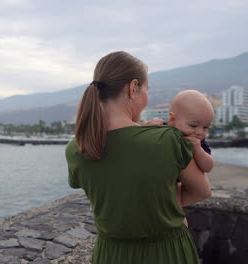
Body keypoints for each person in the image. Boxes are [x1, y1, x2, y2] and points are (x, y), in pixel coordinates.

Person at [65, 51, 211, 263]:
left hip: (110, 255)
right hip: (166, 254)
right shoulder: (166, 140)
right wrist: (170, 202)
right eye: (147, 89)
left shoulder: (76, 147)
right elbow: (202, 191)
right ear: (133, 88)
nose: (146, 97)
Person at [168, 90, 215, 227]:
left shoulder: (200, 142)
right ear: (172, 120)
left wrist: (198, 150)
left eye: (205, 127)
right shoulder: (165, 133)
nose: (200, 132)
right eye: (193, 126)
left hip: (181, 185)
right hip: (164, 181)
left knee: (177, 212)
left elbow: (208, 166)